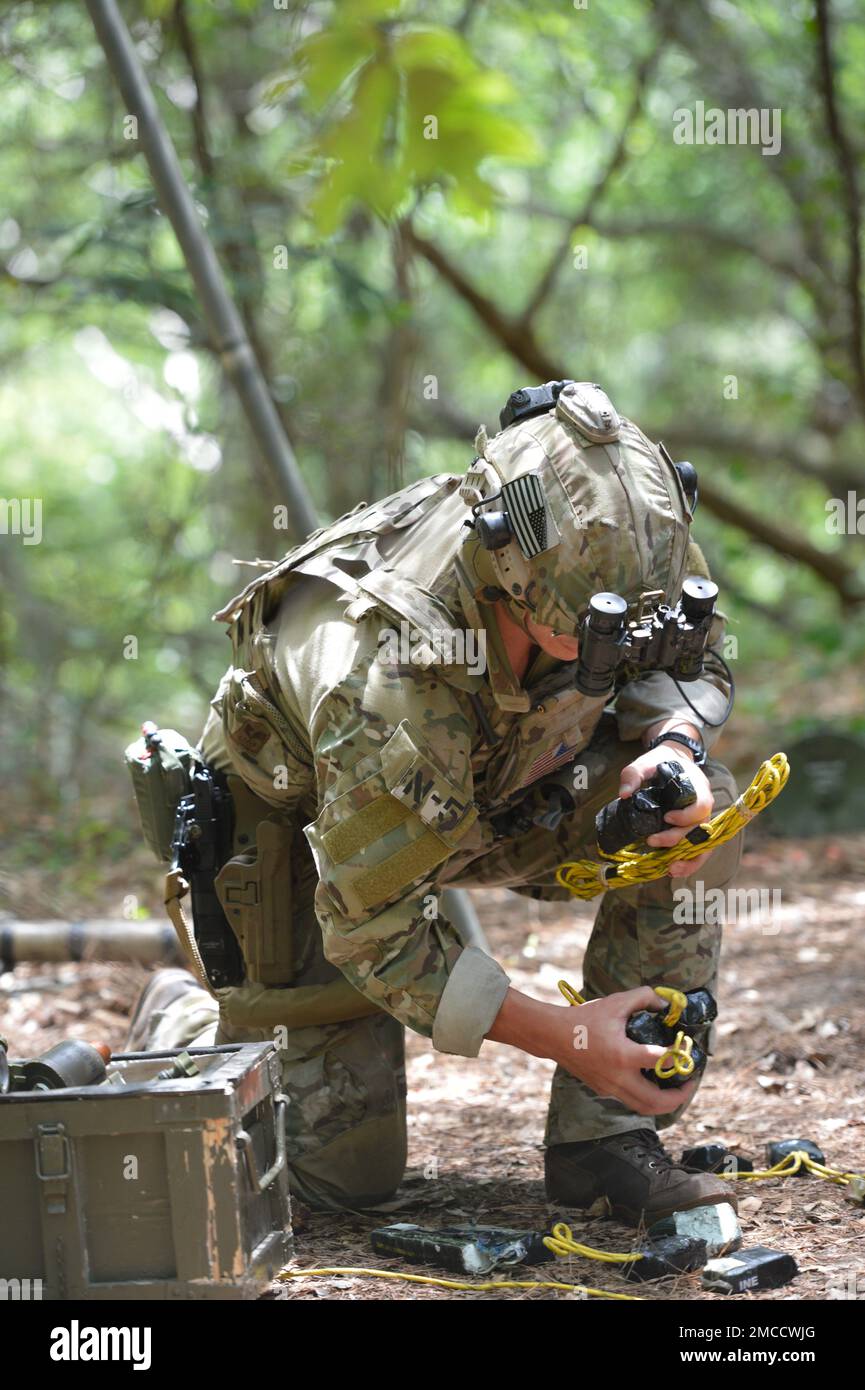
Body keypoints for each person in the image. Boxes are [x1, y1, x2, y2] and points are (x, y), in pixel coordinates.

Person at [128, 381, 742, 1224]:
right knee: (337, 1180)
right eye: (597, 634)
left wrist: (673, 746)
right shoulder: (385, 681)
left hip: (497, 792)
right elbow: (374, 931)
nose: (629, 642)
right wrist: (564, 1033)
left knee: (694, 811)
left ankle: (603, 1139)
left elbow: (686, 661)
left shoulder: (622, 542)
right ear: (506, 578)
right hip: (309, 844)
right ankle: (188, 1023)